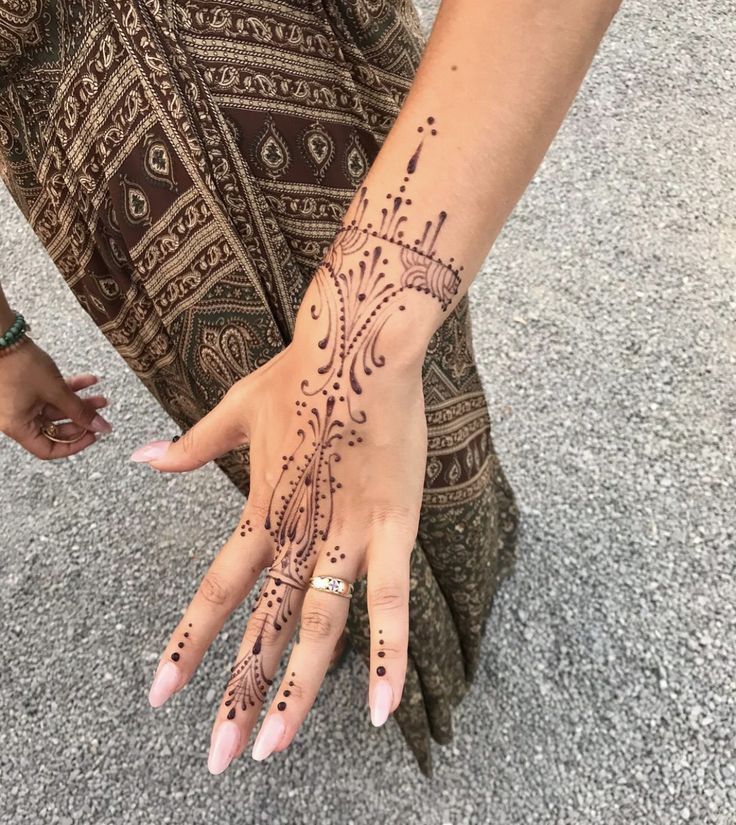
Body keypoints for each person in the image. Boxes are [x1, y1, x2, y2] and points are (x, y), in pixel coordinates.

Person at [0, 0, 621, 775]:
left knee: (422, 400)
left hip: (330, 96)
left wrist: (365, 325)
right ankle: (373, 622)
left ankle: (462, 575)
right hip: (105, 180)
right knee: (277, 470)